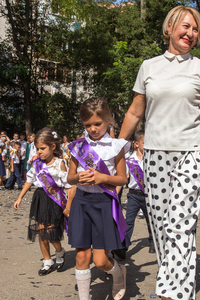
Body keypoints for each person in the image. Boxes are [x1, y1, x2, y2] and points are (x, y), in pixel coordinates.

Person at [118, 6, 200, 299]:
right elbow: (135, 112)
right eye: (185, 27)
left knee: (178, 223)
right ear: (169, 28)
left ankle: (173, 294)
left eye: (195, 29)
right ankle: (174, 283)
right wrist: (115, 148)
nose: (190, 33)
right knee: (159, 227)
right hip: (155, 154)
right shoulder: (149, 66)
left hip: (190, 152)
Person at [67, 97, 130, 300]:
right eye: (88, 125)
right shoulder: (77, 146)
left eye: (97, 123)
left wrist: (103, 177)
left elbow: (122, 178)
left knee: (101, 261)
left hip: (104, 203)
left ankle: (119, 274)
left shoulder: (116, 146)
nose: (93, 129)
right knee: (81, 255)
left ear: (108, 121)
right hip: (82, 202)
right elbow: (70, 177)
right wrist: (78, 178)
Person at [14, 128, 74, 275]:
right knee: (41, 231)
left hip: (54, 200)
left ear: (53, 147)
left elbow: (68, 186)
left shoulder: (60, 163)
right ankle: (47, 260)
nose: (39, 152)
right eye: (37, 148)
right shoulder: (37, 164)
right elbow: (29, 180)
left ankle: (59, 252)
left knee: (51, 230)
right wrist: (20, 197)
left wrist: (69, 206)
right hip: (40, 197)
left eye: (42, 148)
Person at [124, 130, 154, 254]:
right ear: (136, 144)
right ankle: (123, 246)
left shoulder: (152, 159)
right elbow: (125, 177)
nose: (146, 146)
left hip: (148, 195)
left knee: (151, 220)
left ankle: (153, 241)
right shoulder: (130, 160)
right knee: (129, 220)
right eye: (144, 143)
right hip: (133, 195)